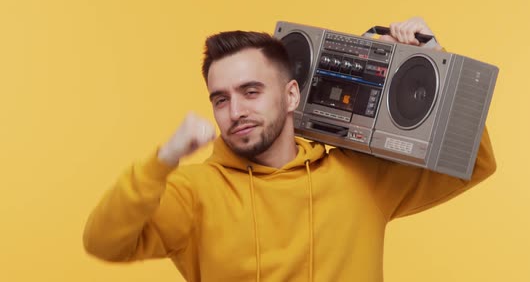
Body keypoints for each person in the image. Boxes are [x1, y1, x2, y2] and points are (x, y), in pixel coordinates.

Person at [83, 17, 496, 282]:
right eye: (220, 99)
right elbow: (104, 242)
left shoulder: (357, 177)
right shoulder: (193, 194)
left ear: (292, 94)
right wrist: (163, 160)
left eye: (251, 91)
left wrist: (434, 58)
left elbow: (474, 161)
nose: (236, 111)